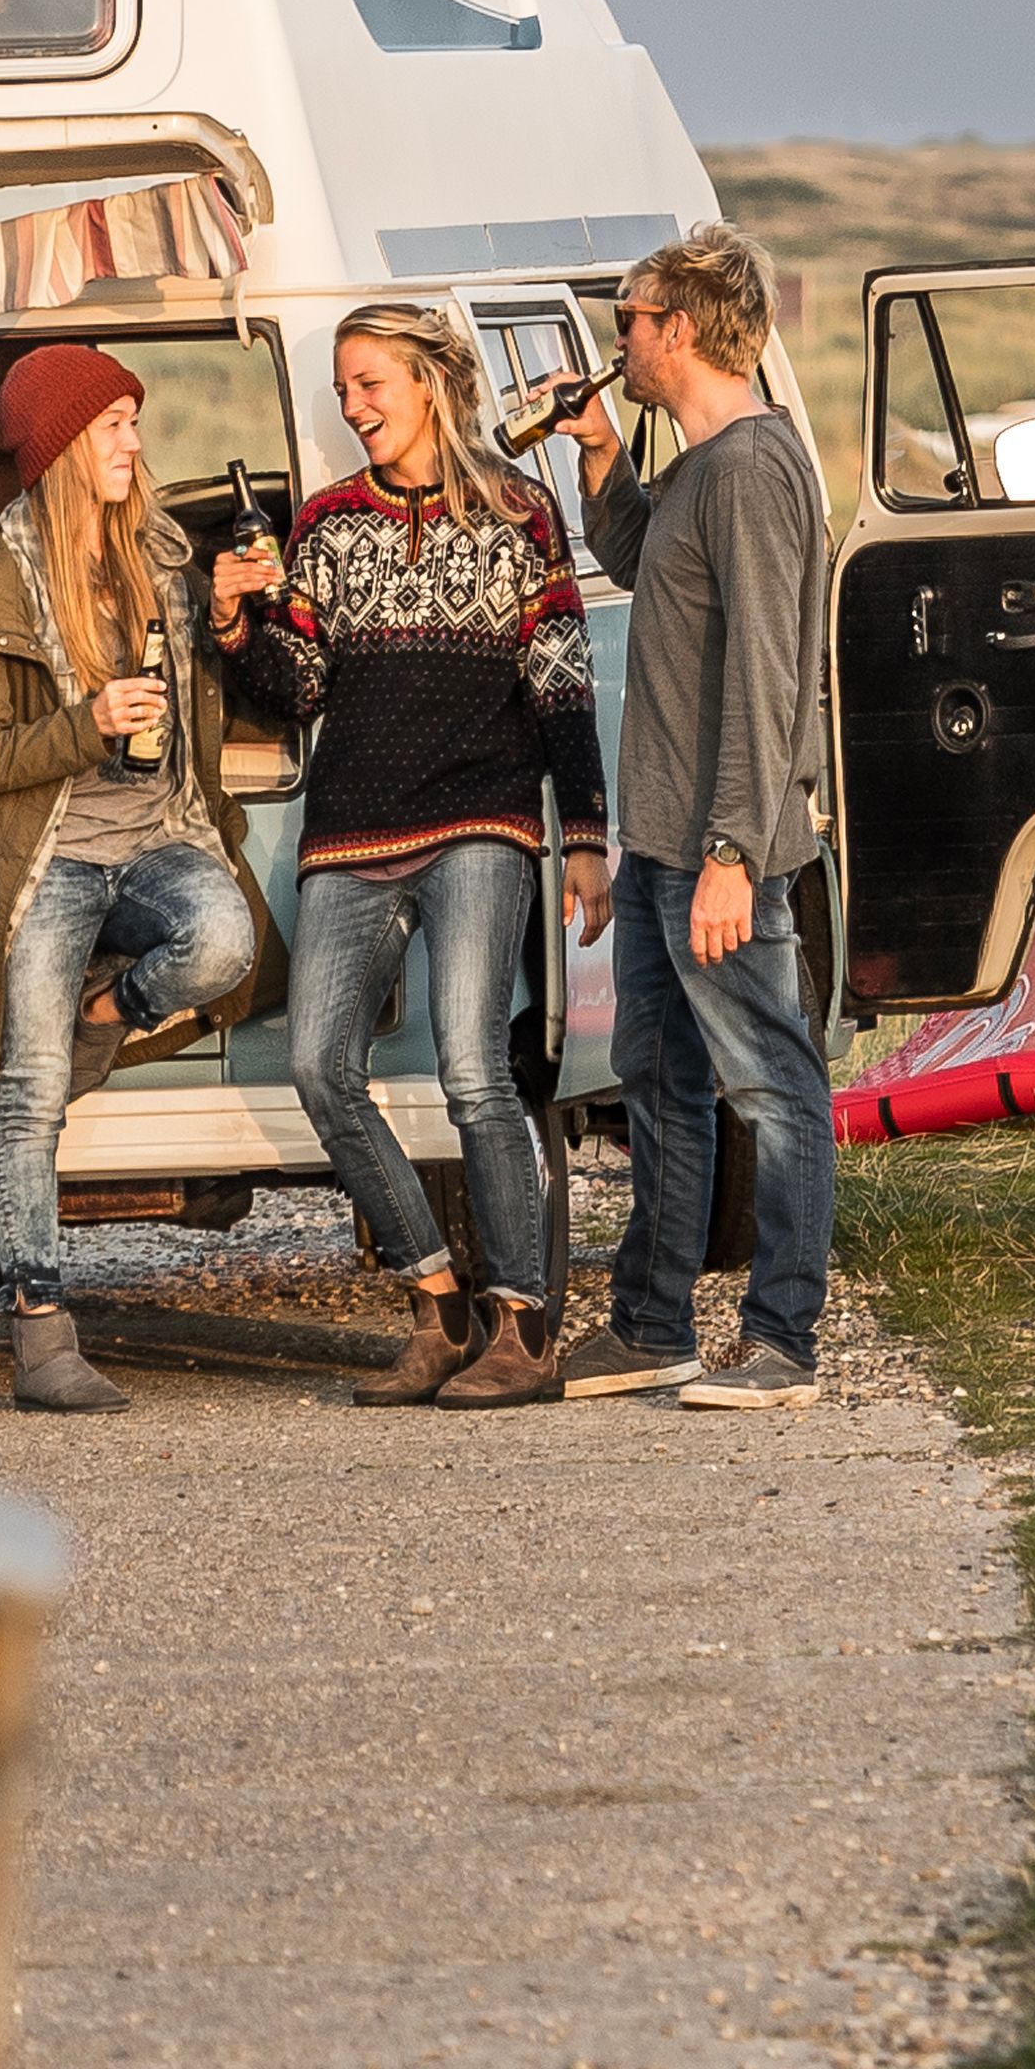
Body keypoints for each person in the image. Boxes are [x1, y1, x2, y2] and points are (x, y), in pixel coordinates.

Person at [219, 305, 612, 1407]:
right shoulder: (327, 522)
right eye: (342, 390)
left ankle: (523, 1328)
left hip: (481, 820)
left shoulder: (521, 515)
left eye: (368, 383)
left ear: (431, 381)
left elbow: (563, 688)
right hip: (352, 825)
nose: (352, 407)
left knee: (475, 1071)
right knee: (318, 1067)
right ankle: (436, 1300)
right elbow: (297, 687)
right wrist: (234, 626)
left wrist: (583, 838)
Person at [0, 342, 276, 1412]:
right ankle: (41, 1331)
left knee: (223, 941)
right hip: (44, 857)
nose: (134, 440)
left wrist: (223, 611)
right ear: (64, 445)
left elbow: (204, 683)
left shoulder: (157, 548)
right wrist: (86, 723)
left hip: (158, 835)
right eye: (114, 423)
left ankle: (105, 1005)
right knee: (30, 1093)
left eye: (131, 420)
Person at [554, 225, 836, 1408]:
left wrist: (732, 854)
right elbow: (635, 555)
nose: (617, 335)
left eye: (629, 317)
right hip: (669, 840)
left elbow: (771, 677)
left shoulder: (754, 469)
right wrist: (601, 452)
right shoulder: (697, 465)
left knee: (770, 1081)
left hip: (727, 850)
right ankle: (652, 1325)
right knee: (658, 1074)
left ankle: (781, 1340)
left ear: (680, 329)